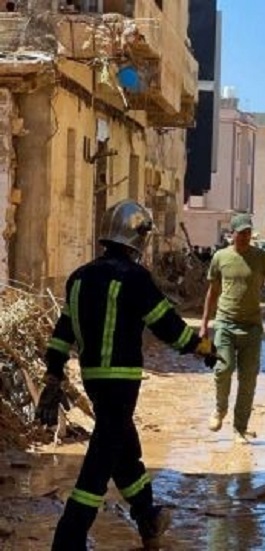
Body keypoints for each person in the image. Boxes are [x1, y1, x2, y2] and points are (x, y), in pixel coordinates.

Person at [36, 200, 219, 549]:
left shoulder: (79, 277)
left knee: (124, 448)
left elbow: (62, 333)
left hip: (93, 378)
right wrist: (202, 348)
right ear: (138, 238)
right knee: (102, 456)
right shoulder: (134, 278)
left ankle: (147, 516)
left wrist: (53, 376)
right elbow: (168, 326)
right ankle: (69, 537)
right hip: (122, 381)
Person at [200, 213, 265, 444]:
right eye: (241, 233)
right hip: (225, 323)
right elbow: (212, 292)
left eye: (249, 232)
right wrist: (204, 324)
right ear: (233, 234)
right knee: (223, 368)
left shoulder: (261, 258)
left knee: (248, 379)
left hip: (252, 327)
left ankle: (240, 428)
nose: (245, 237)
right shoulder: (220, 257)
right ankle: (219, 410)